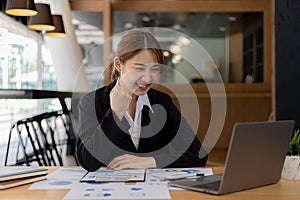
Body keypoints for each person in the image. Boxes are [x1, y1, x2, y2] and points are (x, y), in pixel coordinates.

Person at [76, 30, 208, 171]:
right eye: (139, 68)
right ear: (119, 65)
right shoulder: (92, 102)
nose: (147, 78)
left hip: (154, 189)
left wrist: (150, 161)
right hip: (109, 190)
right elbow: (87, 161)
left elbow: (198, 154)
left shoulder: (162, 102)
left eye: (154, 69)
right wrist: (115, 114)